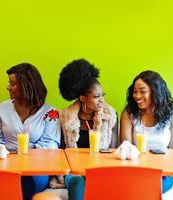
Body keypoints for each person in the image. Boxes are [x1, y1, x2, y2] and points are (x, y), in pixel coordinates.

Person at [0, 63, 61, 200]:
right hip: (5, 164)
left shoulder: (50, 113)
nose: (8, 87)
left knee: (26, 181)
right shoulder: (2, 109)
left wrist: (24, 151)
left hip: (37, 168)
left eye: (12, 83)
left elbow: (51, 144)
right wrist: (3, 150)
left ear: (26, 87)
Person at [56, 59, 118, 200]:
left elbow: (113, 149)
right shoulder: (65, 118)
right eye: (96, 97)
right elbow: (61, 151)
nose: (101, 100)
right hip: (73, 171)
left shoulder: (110, 116)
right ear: (82, 98)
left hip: (99, 169)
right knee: (78, 182)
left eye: (103, 95)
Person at [120, 70, 173, 198]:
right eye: (135, 91)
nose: (137, 96)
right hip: (136, 172)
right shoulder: (129, 113)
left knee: (148, 188)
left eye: (143, 91)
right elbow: (126, 149)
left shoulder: (171, 113)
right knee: (139, 187)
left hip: (163, 173)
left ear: (155, 91)